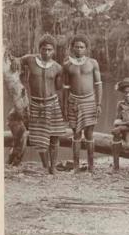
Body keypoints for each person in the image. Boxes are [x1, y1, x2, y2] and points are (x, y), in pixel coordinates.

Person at [11, 34, 67, 174]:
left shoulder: (58, 68)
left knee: (54, 136)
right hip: (36, 104)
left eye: (49, 50)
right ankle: (45, 166)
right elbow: (17, 60)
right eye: (44, 49)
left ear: (53, 51)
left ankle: (53, 167)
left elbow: (59, 87)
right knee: (40, 138)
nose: (46, 52)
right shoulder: (30, 60)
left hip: (52, 104)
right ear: (39, 49)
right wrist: (15, 61)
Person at [62, 34, 102, 173]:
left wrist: (98, 104)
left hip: (90, 101)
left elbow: (98, 85)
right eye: (76, 47)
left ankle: (91, 166)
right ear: (72, 48)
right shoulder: (67, 65)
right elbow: (65, 88)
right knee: (76, 135)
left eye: (82, 47)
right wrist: (65, 107)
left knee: (89, 135)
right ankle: (76, 166)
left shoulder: (93, 63)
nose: (79, 49)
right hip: (74, 102)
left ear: (86, 48)